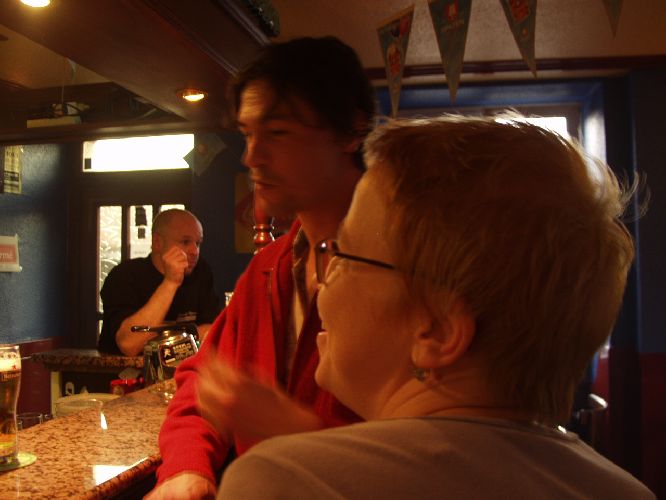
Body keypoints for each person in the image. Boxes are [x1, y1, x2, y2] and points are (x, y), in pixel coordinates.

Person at [202, 116, 655, 499]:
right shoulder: (628, 492)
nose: (323, 281)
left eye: (345, 255)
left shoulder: (283, 481)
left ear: (437, 330)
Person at [147, 37, 376, 499]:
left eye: (278, 132)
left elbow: (441, 460)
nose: (251, 156)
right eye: (248, 133)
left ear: (351, 131)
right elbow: (200, 382)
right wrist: (187, 469)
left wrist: (293, 429)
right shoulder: (268, 269)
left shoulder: (403, 266)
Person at [98, 208, 220, 356]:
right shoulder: (125, 275)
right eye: (185, 242)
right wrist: (170, 282)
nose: (195, 251)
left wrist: (160, 336)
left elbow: (213, 333)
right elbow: (130, 344)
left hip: (182, 368)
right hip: (121, 369)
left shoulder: (201, 272)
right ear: (157, 242)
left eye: (198, 243)